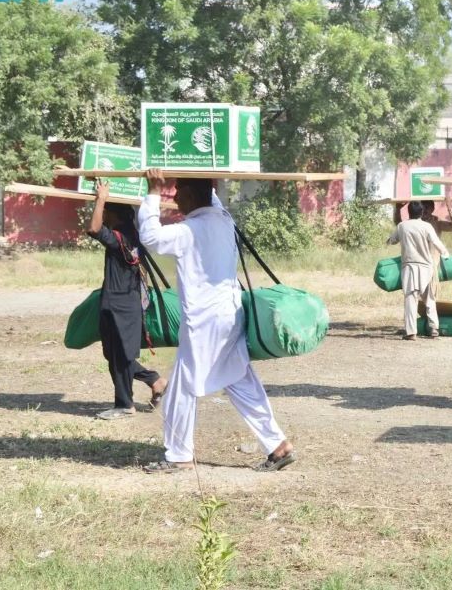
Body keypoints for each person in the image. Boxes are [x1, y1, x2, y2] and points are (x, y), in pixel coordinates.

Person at [137, 170, 295, 473]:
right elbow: (210, 193)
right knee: (240, 380)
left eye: (178, 189)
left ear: (193, 194)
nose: (175, 195)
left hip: (205, 324)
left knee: (182, 388)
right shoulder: (224, 221)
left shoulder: (189, 230)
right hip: (229, 316)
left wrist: (154, 191)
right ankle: (278, 445)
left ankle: (179, 455)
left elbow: (151, 237)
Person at [86, 181, 166, 421]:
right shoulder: (132, 235)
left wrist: (101, 198)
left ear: (115, 213)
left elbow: (94, 229)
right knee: (115, 355)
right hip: (123, 302)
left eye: (107, 210)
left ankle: (125, 404)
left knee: (119, 356)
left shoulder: (120, 236)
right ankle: (155, 380)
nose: (104, 214)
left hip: (120, 304)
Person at [387, 201, 450, 340]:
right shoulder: (427, 226)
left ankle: (411, 332)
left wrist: (388, 240)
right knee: (429, 298)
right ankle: (434, 328)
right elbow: (436, 242)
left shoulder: (402, 226)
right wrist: (445, 253)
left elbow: (392, 240)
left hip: (410, 267)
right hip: (427, 267)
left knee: (411, 298)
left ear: (408, 212)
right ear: (421, 213)